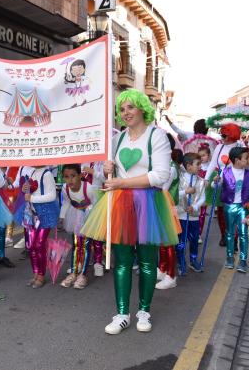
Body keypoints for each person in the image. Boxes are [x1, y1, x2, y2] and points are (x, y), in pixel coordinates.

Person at [81, 89, 180, 334]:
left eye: (130, 107)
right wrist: (107, 170)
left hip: (148, 204)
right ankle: (122, 313)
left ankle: (144, 311)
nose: (126, 113)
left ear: (142, 108)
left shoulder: (156, 136)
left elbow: (161, 175)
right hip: (120, 203)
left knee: (147, 261)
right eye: (122, 109)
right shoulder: (117, 140)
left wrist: (120, 183)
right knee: (122, 262)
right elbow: (113, 176)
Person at [15, 165, 60, 288]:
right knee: (31, 246)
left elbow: (51, 196)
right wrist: (25, 189)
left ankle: (41, 275)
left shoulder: (47, 174)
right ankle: (35, 273)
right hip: (32, 213)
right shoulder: (33, 172)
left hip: (45, 214)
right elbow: (29, 191)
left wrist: (32, 198)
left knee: (39, 244)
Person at [59, 164, 99, 289]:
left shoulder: (89, 188)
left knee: (86, 245)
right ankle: (74, 272)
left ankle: (83, 274)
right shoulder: (65, 188)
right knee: (76, 244)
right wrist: (62, 215)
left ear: (80, 176)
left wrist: (92, 219)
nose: (70, 180)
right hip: (75, 215)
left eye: (73, 176)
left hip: (89, 216)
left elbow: (96, 203)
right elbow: (66, 201)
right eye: (66, 177)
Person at [219, 147, 249, 273]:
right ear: (237, 160)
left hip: (243, 207)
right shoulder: (225, 172)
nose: (248, 160)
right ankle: (230, 257)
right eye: (246, 158)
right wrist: (215, 182)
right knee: (229, 233)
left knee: (243, 234)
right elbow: (217, 185)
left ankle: (243, 260)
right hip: (229, 207)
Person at [205, 123, 243, 246]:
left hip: (234, 184)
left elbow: (243, 168)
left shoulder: (240, 148)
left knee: (232, 212)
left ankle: (234, 236)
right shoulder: (219, 147)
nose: (222, 138)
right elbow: (212, 164)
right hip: (220, 182)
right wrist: (206, 178)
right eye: (221, 135)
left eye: (224, 135)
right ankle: (224, 236)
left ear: (232, 136)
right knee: (221, 211)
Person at [156, 137, 182, 290]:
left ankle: (171, 275)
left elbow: (161, 186)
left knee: (168, 241)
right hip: (159, 202)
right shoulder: (164, 164)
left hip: (164, 203)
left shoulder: (170, 167)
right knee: (161, 240)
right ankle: (163, 268)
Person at [176, 153, 206, 275]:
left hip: (193, 217)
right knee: (181, 241)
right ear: (188, 166)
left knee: (194, 240)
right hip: (181, 215)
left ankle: (193, 260)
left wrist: (194, 206)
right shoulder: (179, 179)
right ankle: (181, 262)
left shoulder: (201, 181)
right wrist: (185, 192)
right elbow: (174, 195)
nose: (200, 166)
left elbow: (203, 198)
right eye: (197, 164)